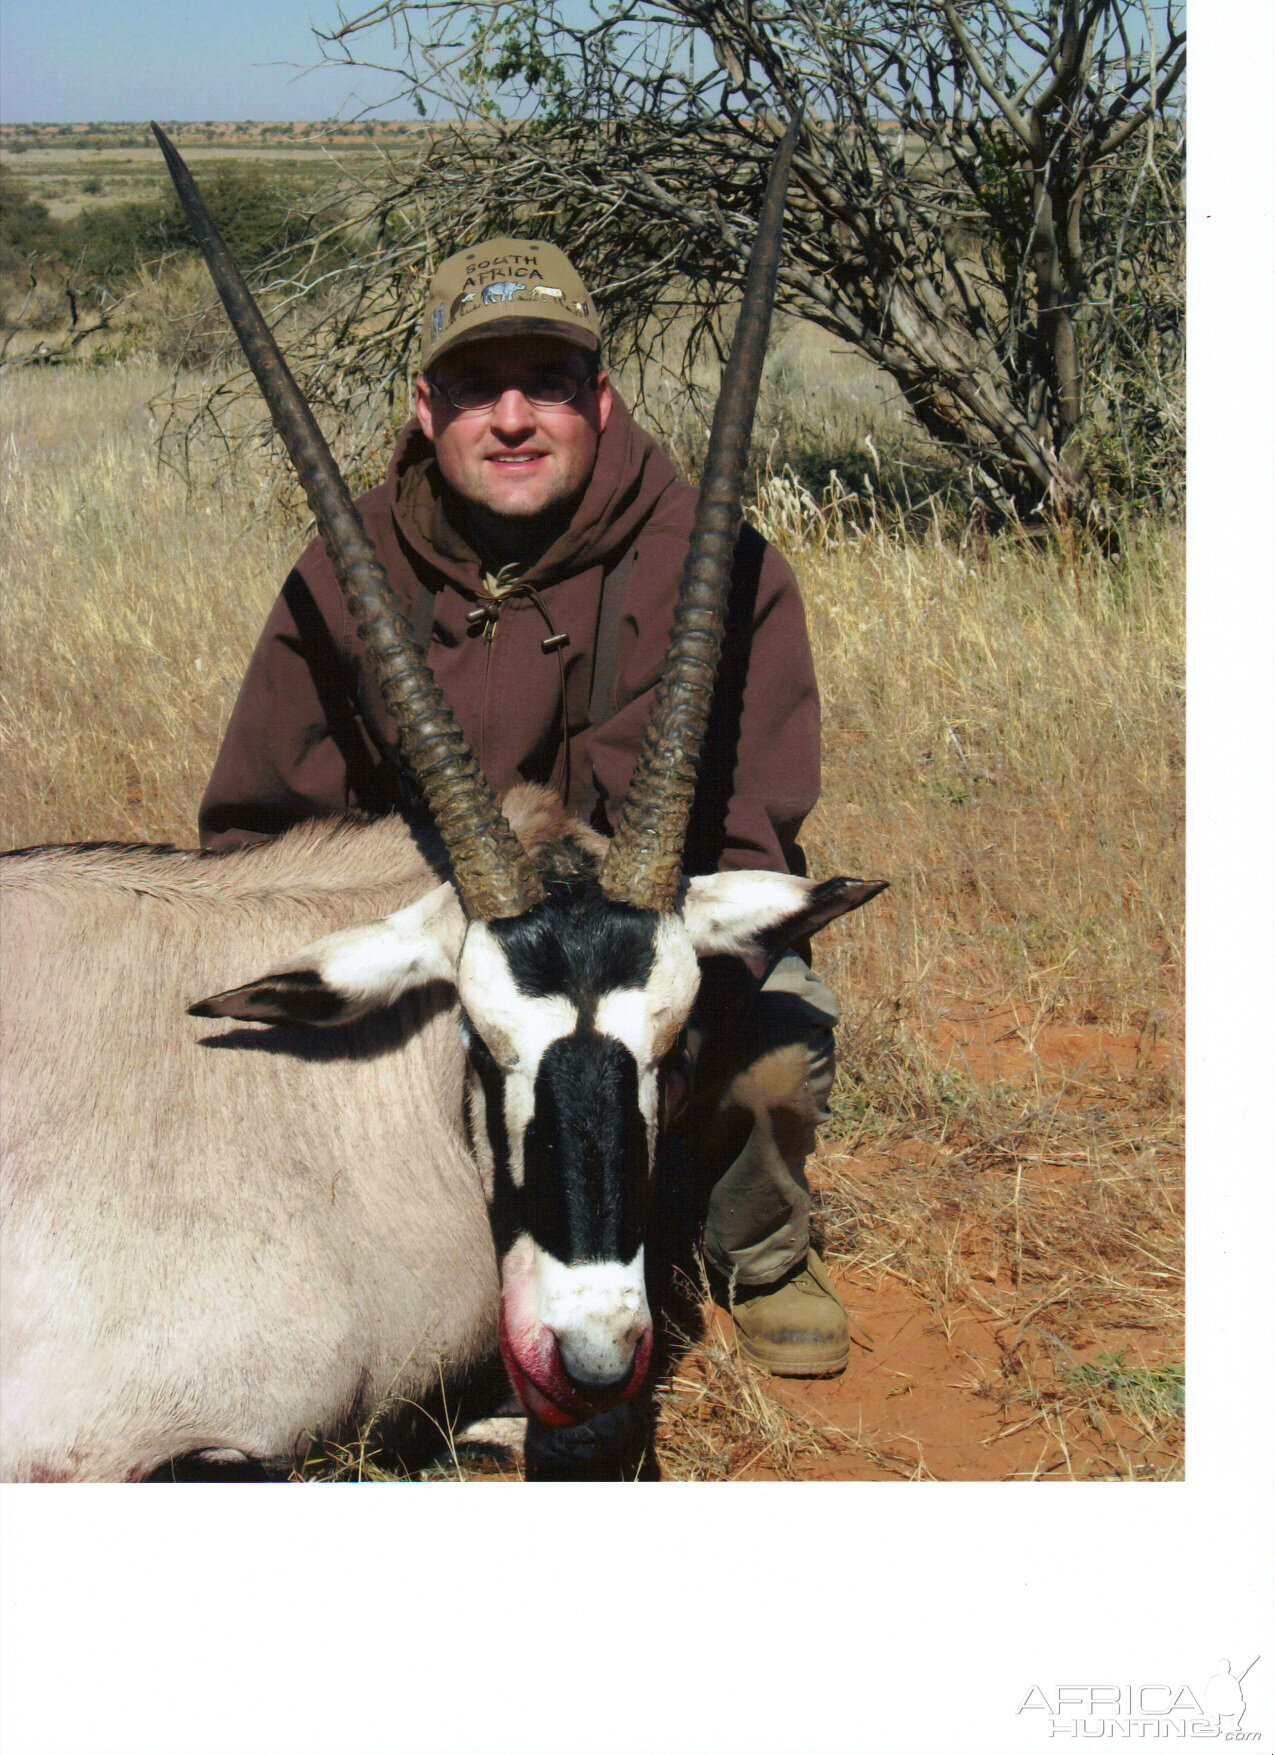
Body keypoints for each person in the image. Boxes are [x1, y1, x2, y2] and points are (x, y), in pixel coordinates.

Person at [199, 236, 851, 1377]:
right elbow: (255, 842)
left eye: (546, 382)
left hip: (644, 954)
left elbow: (752, 831)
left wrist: (658, 1013)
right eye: (474, 387)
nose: (511, 417)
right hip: (442, 954)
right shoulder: (343, 569)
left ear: (599, 397)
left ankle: (759, 1252)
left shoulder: (723, 567)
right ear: (424, 405)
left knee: (778, 1045)